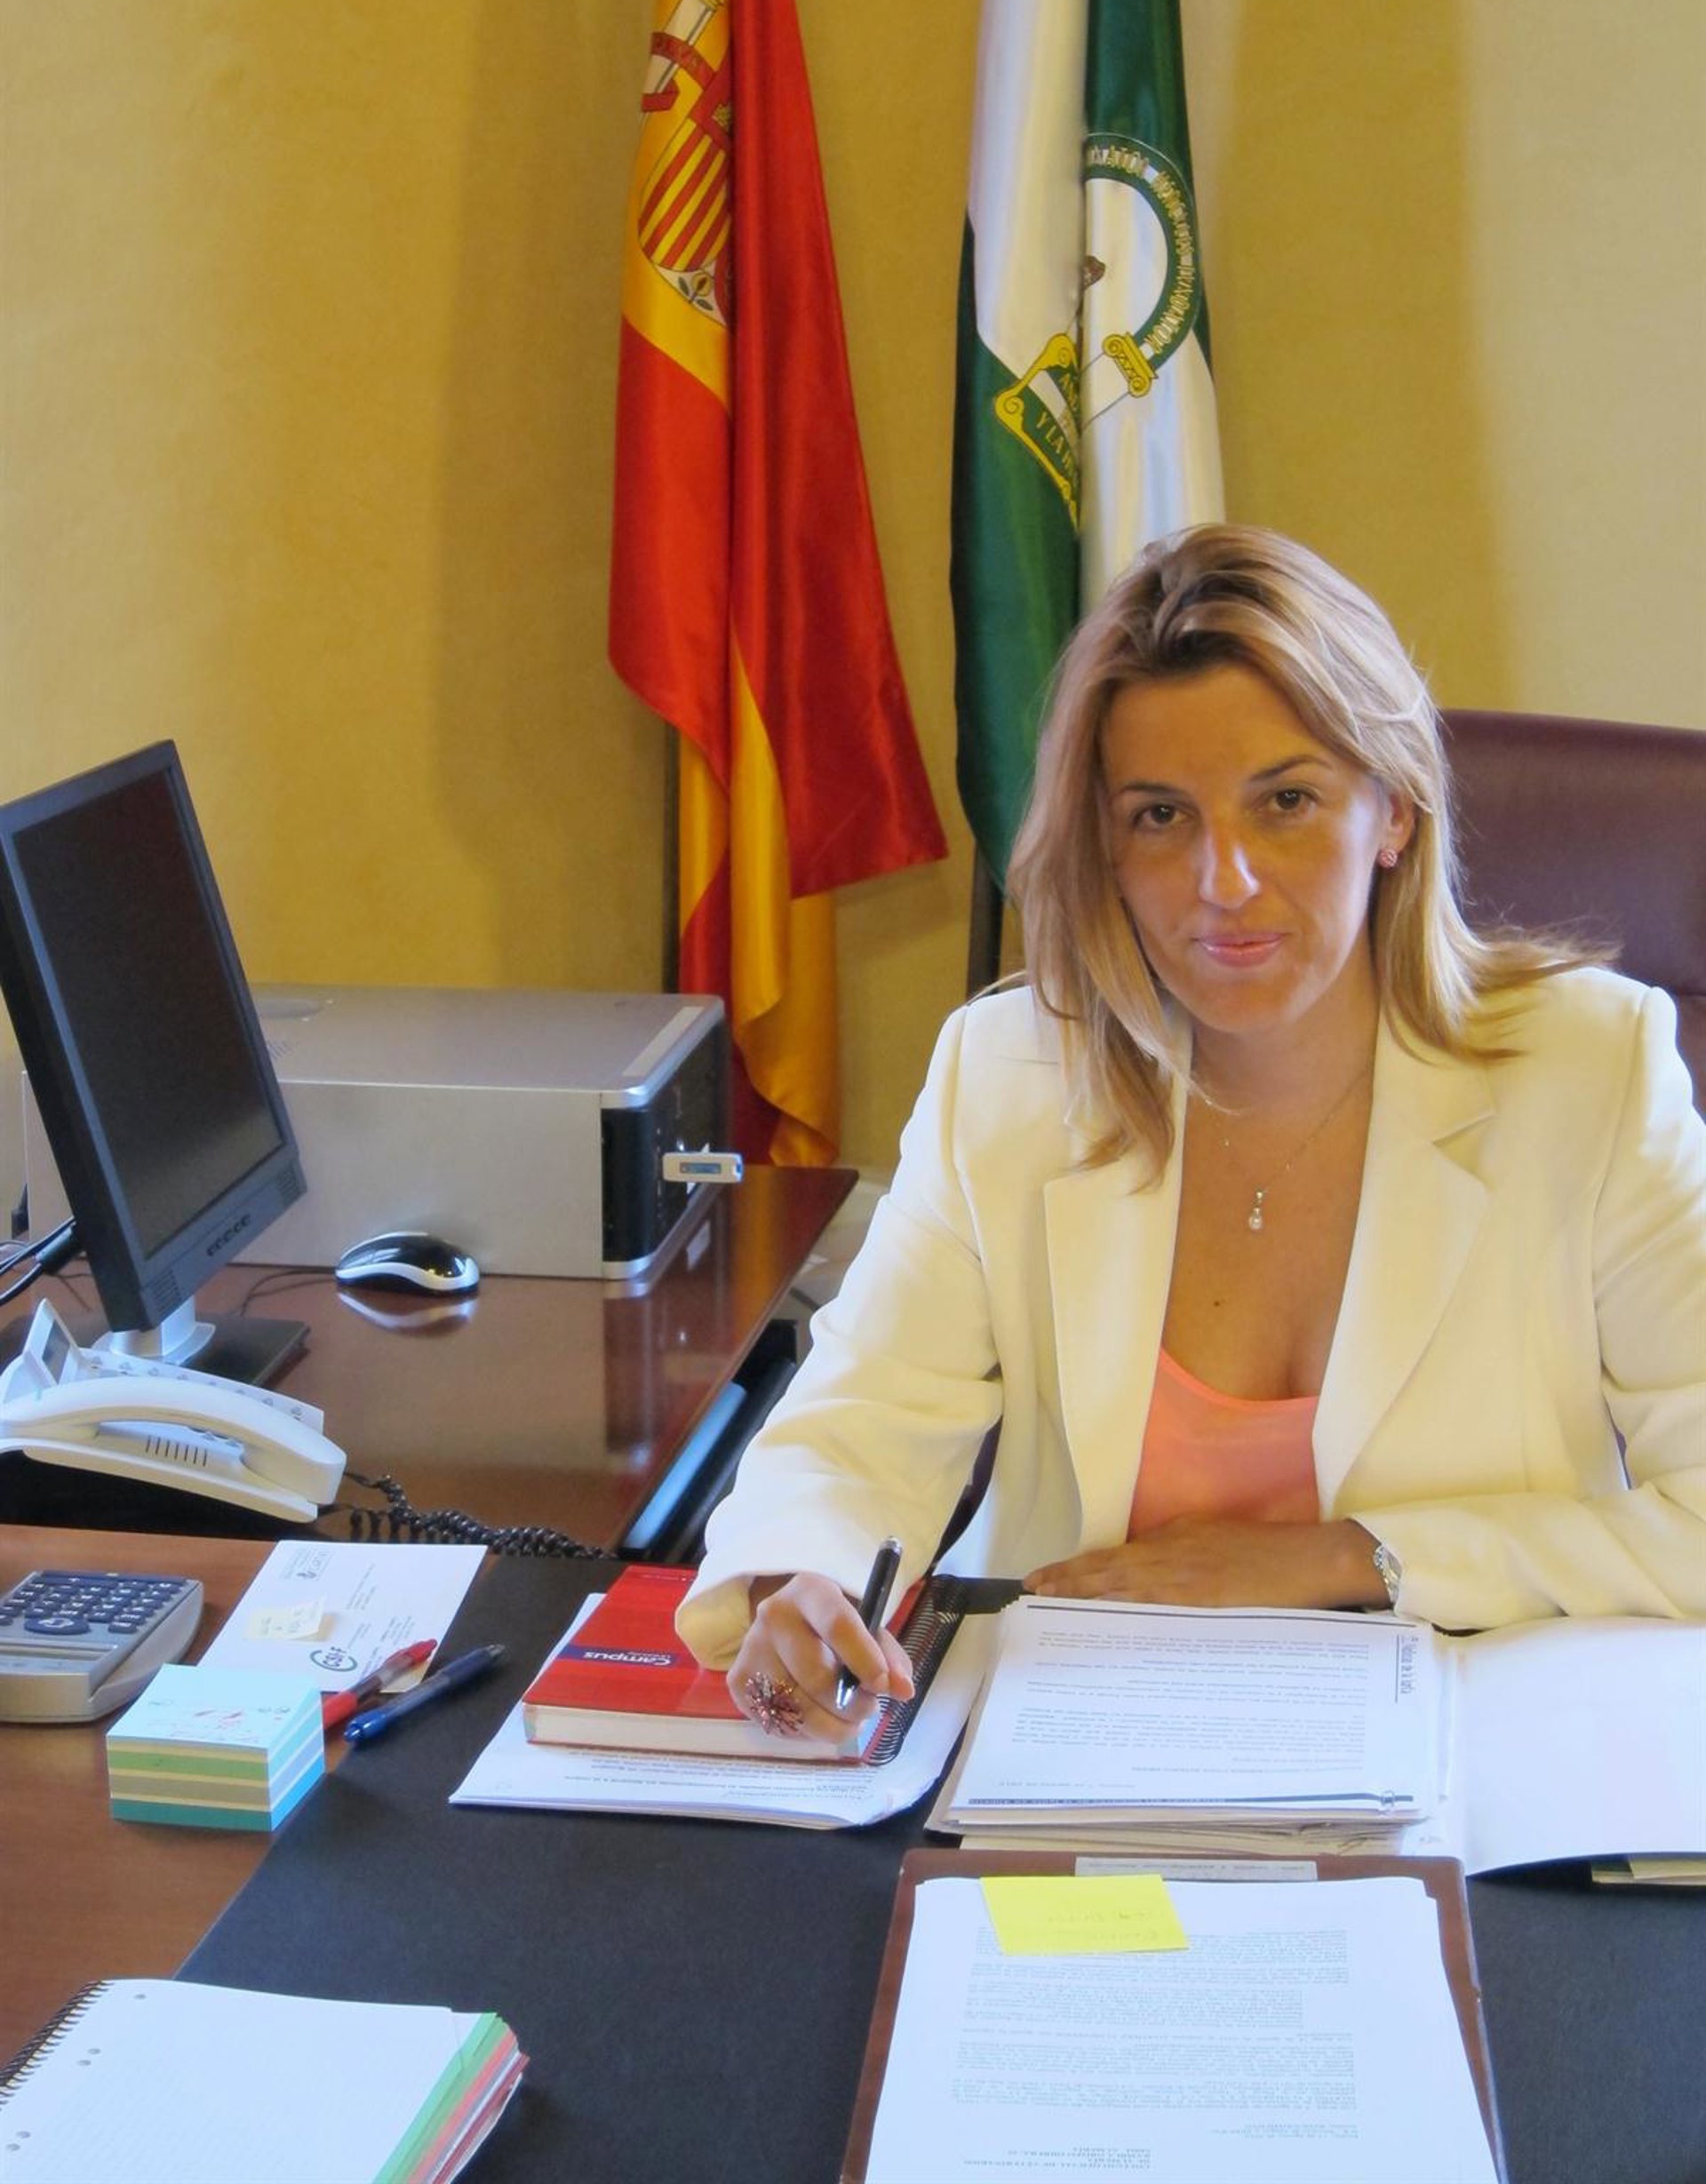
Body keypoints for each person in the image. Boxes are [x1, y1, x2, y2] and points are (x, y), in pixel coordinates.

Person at [677, 525, 1706, 1745]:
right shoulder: (1009, 1075)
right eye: (1161, 815)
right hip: (1077, 1742)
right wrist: (797, 1579)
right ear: (1104, 847)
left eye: (1286, 802)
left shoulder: (1587, 1069)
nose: (1224, 881)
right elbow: (861, 1422)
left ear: (1394, 813)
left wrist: (1349, 1556)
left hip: (1478, 1752)